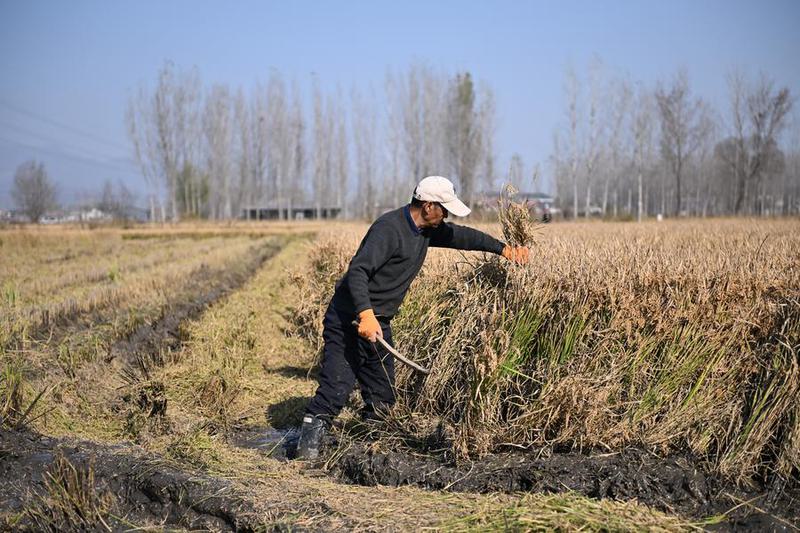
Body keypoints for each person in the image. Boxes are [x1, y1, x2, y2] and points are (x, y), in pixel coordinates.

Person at [296, 176, 529, 459]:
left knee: (383, 397)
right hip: (349, 320)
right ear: (429, 206)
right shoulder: (389, 229)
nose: (447, 216)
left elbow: (464, 237)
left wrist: (504, 249)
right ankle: (304, 456)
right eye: (445, 210)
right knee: (336, 388)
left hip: (378, 323)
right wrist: (365, 314)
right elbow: (358, 271)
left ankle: (368, 454)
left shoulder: (427, 231)